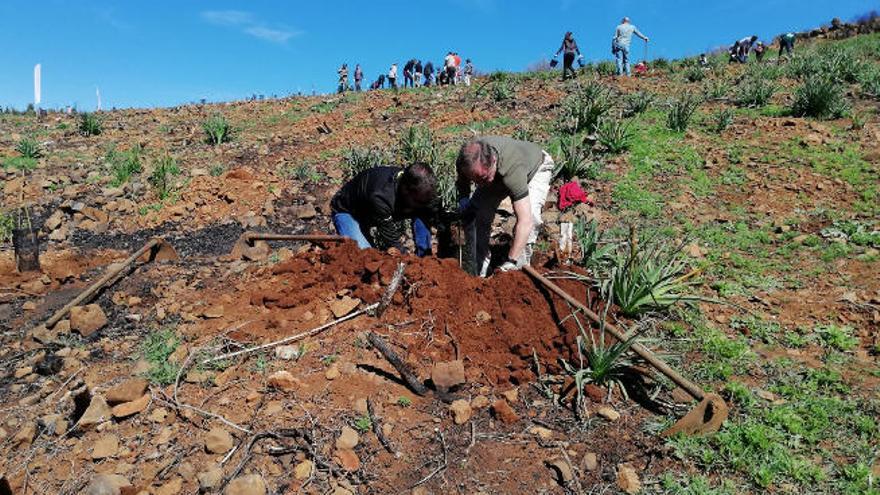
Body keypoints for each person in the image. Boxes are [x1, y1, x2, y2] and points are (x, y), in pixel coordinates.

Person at [456, 136, 555, 276]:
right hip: (497, 175)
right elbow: (463, 184)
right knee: (477, 213)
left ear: (494, 161)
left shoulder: (512, 170)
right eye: (475, 180)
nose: (479, 184)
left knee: (531, 217)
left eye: (482, 179)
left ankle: (517, 271)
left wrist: (511, 260)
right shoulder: (467, 162)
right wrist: (464, 200)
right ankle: (479, 269)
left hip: (535, 168)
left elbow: (525, 221)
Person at [331, 163, 437, 257]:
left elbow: (428, 212)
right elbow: (391, 239)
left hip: (373, 211)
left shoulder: (421, 192)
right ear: (405, 190)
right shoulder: (381, 197)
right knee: (366, 257)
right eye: (418, 200)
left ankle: (424, 256)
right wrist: (408, 260)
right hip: (349, 213)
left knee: (423, 211)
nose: (423, 203)